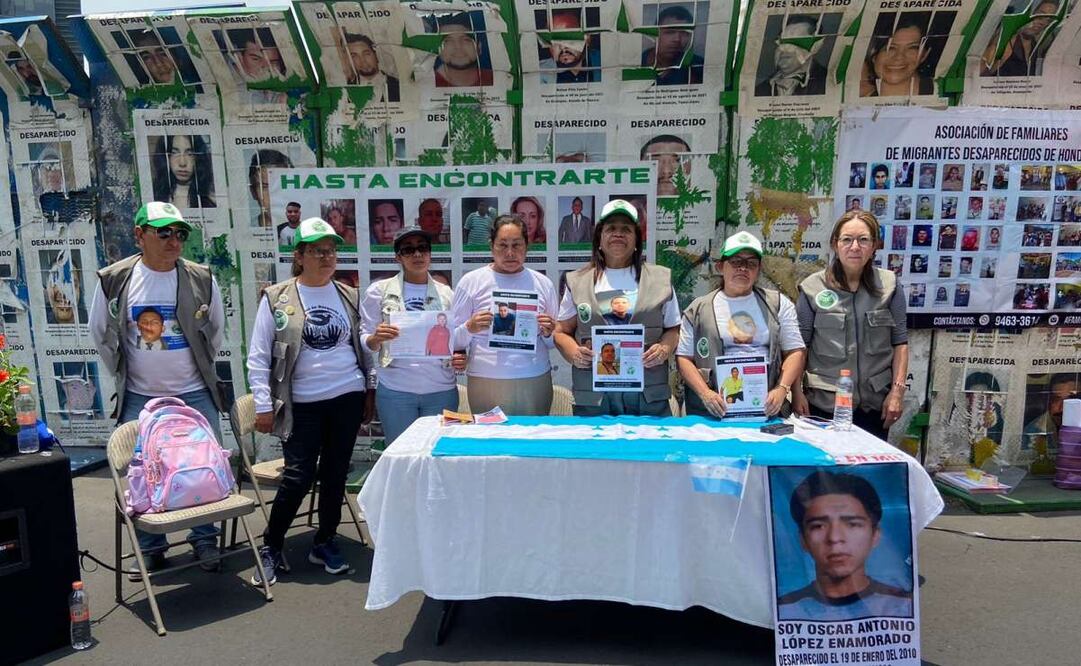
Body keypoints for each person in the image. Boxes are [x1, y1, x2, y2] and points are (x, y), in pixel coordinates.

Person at [89, 202, 226, 578]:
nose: (173, 240)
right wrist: (122, 372)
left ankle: (204, 539)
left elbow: (215, 330)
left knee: (203, 470)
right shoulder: (115, 279)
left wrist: (198, 364)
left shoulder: (201, 277)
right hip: (139, 396)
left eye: (179, 233)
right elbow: (100, 332)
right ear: (140, 235)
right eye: (163, 232)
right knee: (140, 476)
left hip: (195, 393)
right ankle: (150, 548)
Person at [247, 217, 370, 585]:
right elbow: (258, 356)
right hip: (302, 402)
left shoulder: (348, 293)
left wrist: (371, 385)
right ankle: (271, 544)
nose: (327, 257)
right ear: (299, 255)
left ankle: (325, 540)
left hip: (347, 395)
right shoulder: (277, 297)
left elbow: (360, 347)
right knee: (298, 477)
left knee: (335, 474)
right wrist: (263, 405)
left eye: (331, 251)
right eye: (318, 251)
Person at [555, 200, 680, 416]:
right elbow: (561, 332)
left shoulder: (661, 279)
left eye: (626, 229)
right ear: (599, 239)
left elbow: (673, 329)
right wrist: (574, 352)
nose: (618, 234)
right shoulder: (577, 281)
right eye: (611, 228)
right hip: (594, 397)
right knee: (594, 450)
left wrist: (664, 349)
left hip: (648, 396)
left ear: (636, 240)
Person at [793, 211, 909, 440]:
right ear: (835, 244)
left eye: (863, 239)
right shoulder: (812, 288)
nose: (855, 246)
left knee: (866, 474)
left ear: (874, 245)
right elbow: (799, 347)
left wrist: (897, 393)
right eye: (847, 239)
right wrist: (796, 392)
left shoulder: (890, 286)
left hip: (874, 405)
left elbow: (900, 342)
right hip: (824, 405)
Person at [677, 231, 805, 418]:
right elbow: (684, 358)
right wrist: (706, 394)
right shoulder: (697, 309)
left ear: (758, 269)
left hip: (768, 411)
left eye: (751, 263)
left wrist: (781, 389)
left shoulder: (778, 304)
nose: (743, 268)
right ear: (721, 266)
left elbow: (795, 351)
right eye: (736, 262)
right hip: (713, 414)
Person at [361, 226, 458, 446]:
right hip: (396, 391)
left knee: (437, 458)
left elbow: (456, 340)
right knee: (401, 457)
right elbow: (365, 338)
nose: (417, 254)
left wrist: (461, 355)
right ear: (398, 257)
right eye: (408, 250)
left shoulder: (446, 293)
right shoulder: (378, 291)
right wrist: (375, 339)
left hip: (440, 390)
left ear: (430, 254)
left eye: (423, 248)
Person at [451, 215, 557, 414]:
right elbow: (452, 340)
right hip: (485, 380)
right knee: (489, 443)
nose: (510, 253)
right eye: (502, 245)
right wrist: (469, 327)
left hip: (533, 378)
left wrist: (549, 332)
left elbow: (553, 342)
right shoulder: (471, 282)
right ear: (492, 246)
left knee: (531, 438)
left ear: (527, 246)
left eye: (517, 245)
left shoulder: (543, 284)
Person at [777, 470, 913, 621]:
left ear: (875, 535)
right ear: (803, 539)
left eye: (852, 524)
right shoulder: (784, 610)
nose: (835, 538)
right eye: (818, 526)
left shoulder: (902, 606)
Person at [981, 1, 1061, 77]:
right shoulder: (1006, 43)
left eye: (1048, 20)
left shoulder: (1037, 49)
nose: (1042, 22)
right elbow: (977, 75)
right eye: (1039, 15)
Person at [860, 15, 934, 97]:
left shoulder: (941, 93)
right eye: (890, 48)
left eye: (912, 48)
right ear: (873, 53)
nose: (899, 57)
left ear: (925, 54)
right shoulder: (860, 101)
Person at [755, 14, 827, 96]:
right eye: (781, 42)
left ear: (816, 47)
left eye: (796, 42)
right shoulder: (760, 89)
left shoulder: (828, 82)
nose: (785, 49)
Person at [641, 5, 703, 85]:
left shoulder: (699, 65)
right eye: (669, 32)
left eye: (684, 33)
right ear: (654, 34)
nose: (677, 39)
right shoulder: (637, 61)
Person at [150, 134, 216, 209]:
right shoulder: (154, 197)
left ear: (198, 158)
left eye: (190, 154)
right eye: (174, 152)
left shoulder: (210, 201)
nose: (182, 163)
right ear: (166, 157)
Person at [434, 13, 493, 87]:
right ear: (438, 49)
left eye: (466, 40)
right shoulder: (425, 83)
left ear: (479, 47)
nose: (458, 47)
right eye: (448, 41)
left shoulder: (497, 79)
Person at [539, 9, 598, 84]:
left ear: (587, 39)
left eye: (569, 37)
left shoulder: (604, 62)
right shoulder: (538, 72)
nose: (563, 47)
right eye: (554, 40)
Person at [1023, 373, 1080, 451]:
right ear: (1048, 401)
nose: (1062, 408)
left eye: (1071, 400)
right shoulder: (1031, 432)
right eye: (1056, 400)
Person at [341, 32, 400, 101]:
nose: (363, 61)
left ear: (376, 55)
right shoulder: (344, 90)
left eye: (367, 54)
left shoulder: (398, 85)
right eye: (354, 56)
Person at [249, 149, 292, 227]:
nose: (274, 196)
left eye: (282, 185)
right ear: (253, 192)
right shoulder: (241, 233)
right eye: (265, 187)